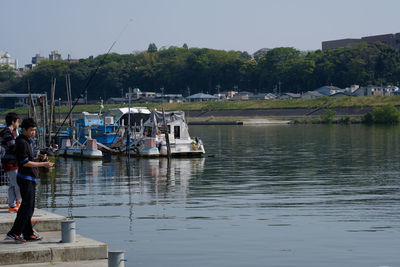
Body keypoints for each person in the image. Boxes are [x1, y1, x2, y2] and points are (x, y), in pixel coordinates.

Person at [5, 118, 54, 243]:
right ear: (24, 129)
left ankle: (28, 233)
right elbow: (24, 163)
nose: (33, 132)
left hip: (30, 177)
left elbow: (30, 160)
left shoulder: (28, 141)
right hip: (25, 178)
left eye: (34, 130)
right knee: (26, 207)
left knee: (29, 207)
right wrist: (43, 165)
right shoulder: (21, 142)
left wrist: (40, 158)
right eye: (31, 130)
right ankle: (14, 233)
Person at [0, 113, 21, 213]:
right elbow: (12, 146)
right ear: (13, 122)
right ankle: (15, 204)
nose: (18, 123)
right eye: (17, 121)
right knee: (16, 183)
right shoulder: (7, 133)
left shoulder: (10, 132)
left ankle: (14, 205)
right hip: (10, 162)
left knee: (13, 184)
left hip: (12, 162)